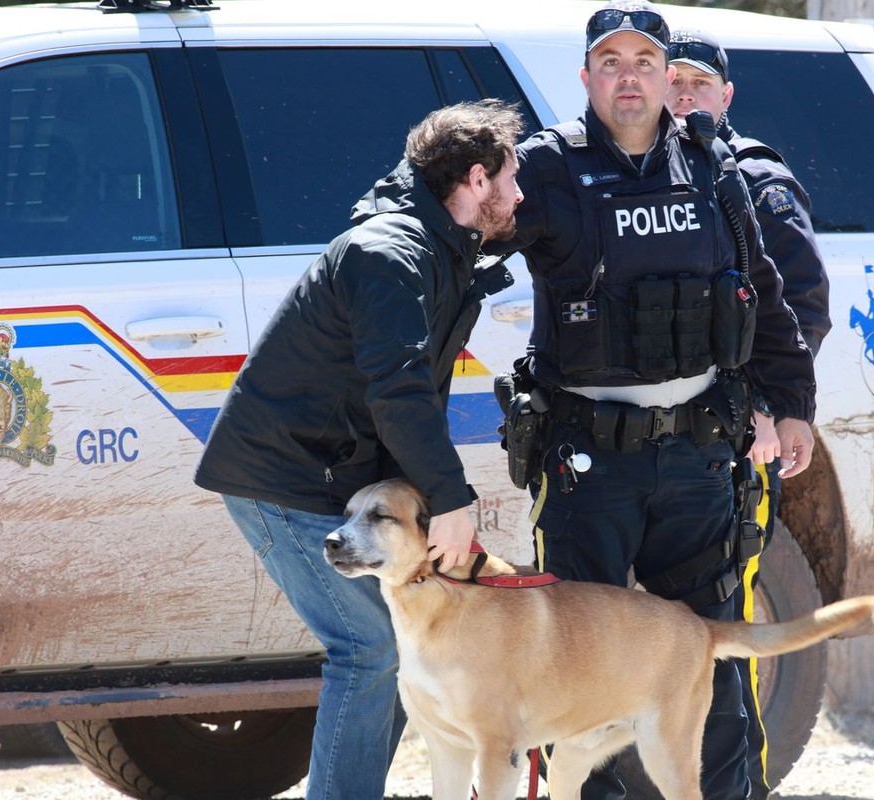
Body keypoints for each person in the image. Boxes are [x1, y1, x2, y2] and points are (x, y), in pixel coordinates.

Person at [489, 3, 817, 799]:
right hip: (586, 458)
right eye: (611, 62)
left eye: (644, 61)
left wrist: (792, 399)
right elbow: (463, 242)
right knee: (571, 672)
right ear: (588, 78)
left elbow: (764, 293)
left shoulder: (712, 168)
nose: (627, 76)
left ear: (670, 79)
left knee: (714, 660)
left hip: (698, 457)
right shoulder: (546, 171)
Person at [193, 100, 525, 800]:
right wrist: (455, 500)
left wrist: (434, 507)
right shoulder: (389, 253)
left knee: (397, 645)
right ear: (474, 179)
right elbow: (399, 393)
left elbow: (409, 402)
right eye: (511, 180)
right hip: (283, 477)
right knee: (370, 649)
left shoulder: (437, 249)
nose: (519, 198)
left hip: (330, 475)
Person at [666, 29, 832, 800]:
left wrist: (769, 407)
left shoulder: (755, 179)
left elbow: (799, 308)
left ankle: (741, 789)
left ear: (726, 97)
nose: (685, 94)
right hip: (645, 446)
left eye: (701, 84)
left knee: (724, 630)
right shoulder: (634, 171)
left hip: (730, 439)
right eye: (674, 80)